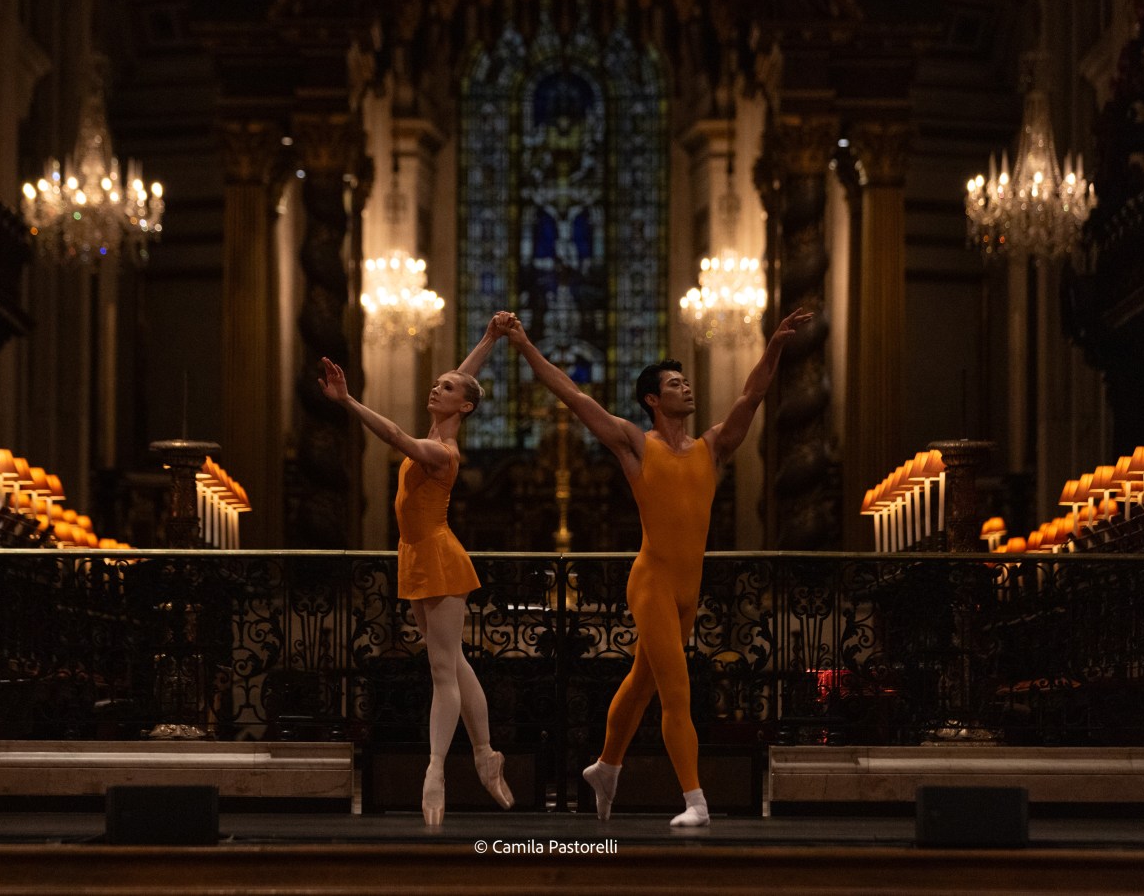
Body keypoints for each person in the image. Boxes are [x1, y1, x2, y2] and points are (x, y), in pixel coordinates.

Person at [500, 306, 813, 826]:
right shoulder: (634, 444)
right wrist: (525, 344)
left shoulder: (712, 447)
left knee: (640, 683)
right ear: (653, 399)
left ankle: (605, 766)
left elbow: (751, 396)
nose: (687, 389)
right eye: (675, 383)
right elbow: (574, 397)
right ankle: (696, 801)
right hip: (651, 584)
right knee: (675, 691)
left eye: (687, 382)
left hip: (689, 589)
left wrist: (775, 346)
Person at [318, 312, 517, 826]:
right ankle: (485, 754)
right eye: (436, 382)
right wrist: (490, 338)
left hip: (439, 556)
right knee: (454, 662)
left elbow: (395, 437)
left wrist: (349, 402)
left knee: (442, 670)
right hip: (416, 553)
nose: (436, 386)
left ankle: (435, 769)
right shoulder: (443, 420)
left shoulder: (441, 452)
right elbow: (463, 378)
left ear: (464, 407)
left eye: (444, 387)